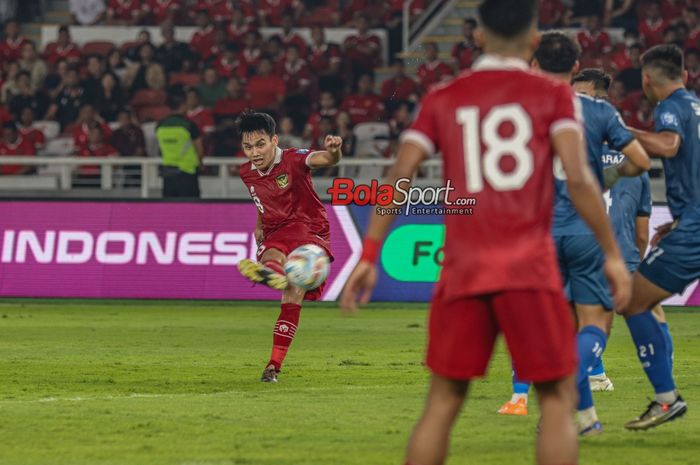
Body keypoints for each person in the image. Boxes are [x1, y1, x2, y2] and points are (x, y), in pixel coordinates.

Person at [340, 2, 630, 464]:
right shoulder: (554, 97)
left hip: (463, 272)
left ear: (476, 37)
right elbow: (579, 180)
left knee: (441, 404)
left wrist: (370, 253)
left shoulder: (443, 96)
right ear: (534, 39)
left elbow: (401, 174)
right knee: (556, 400)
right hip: (529, 272)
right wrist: (613, 255)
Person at [498, 35, 650, 436]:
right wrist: (611, 174)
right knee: (594, 324)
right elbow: (640, 160)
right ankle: (577, 409)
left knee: (549, 327)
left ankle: (560, 411)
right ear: (576, 65)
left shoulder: (522, 111)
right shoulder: (598, 112)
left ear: (534, 64)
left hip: (539, 234)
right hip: (585, 232)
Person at [618, 44, 694, 430]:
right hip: (690, 222)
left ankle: (667, 399)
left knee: (631, 301)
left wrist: (618, 129)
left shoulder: (669, 107)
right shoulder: (695, 106)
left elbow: (668, 145)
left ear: (647, 79)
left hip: (695, 228)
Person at [235, 112, 342, 383]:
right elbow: (262, 196)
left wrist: (333, 152)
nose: (254, 152)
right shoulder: (246, 172)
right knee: (286, 281)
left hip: (309, 228)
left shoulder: (293, 158)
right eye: (248, 147)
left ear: (274, 140)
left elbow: (321, 159)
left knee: (285, 276)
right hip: (275, 229)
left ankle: (275, 274)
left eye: (260, 144)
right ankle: (272, 367)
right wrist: (259, 222)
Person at [156, 90, 204, 198]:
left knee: (171, 212)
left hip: (168, 174)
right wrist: (200, 164)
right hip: (187, 174)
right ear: (182, 105)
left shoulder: (160, 125)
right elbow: (199, 150)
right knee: (190, 212)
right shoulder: (189, 125)